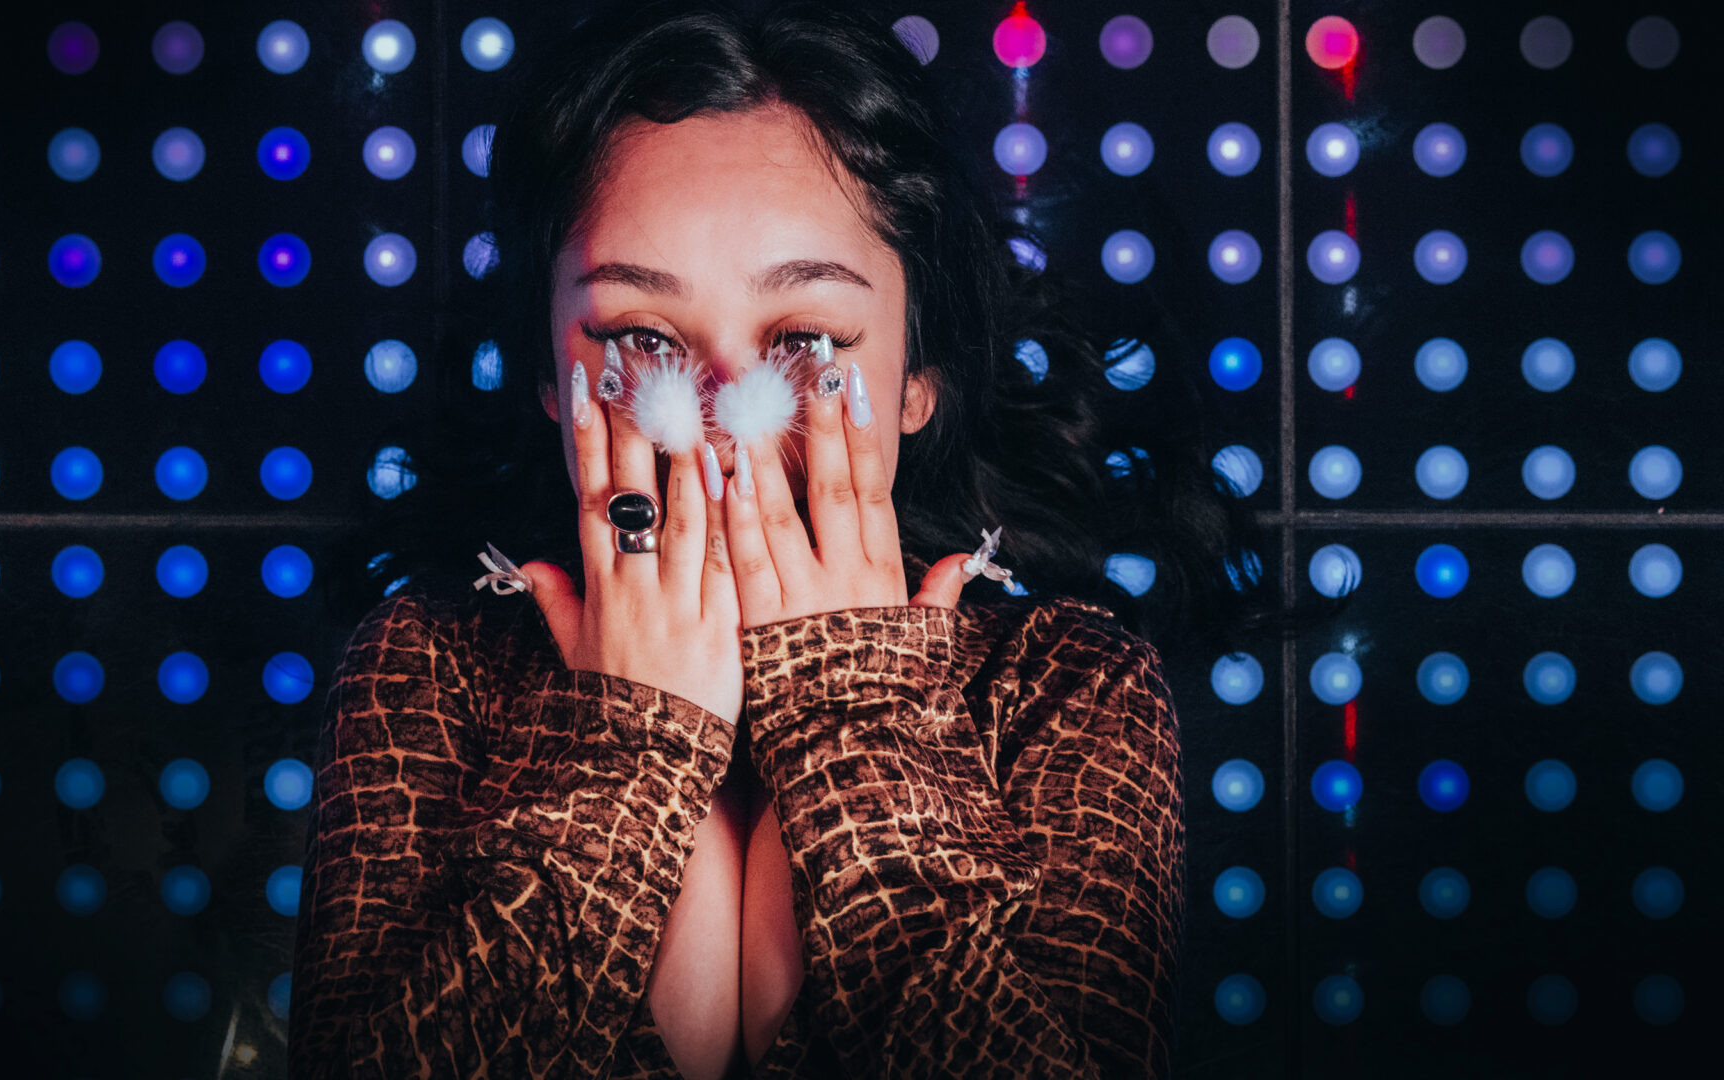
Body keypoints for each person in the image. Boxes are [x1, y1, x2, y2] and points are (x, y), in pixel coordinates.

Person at [290, 3, 1279, 1076]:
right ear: (545, 378)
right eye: (642, 335)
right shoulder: (431, 669)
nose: (723, 418)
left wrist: (847, 723)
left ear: (916, 380)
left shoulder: (1065, 687)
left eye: (803, 338)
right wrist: (629, 753)